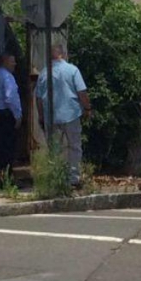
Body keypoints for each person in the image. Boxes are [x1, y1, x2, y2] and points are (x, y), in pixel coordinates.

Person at [35, 45, 92, 187]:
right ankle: (73, 178)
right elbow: (82, 92)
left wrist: (41, 117)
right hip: (71, 114)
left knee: (54, 148)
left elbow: (38, 98)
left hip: (51, 116)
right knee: (74, 147)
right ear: (63, 54)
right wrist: (87, 108)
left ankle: (56, 177)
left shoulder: (44, 73)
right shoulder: (72, 70)